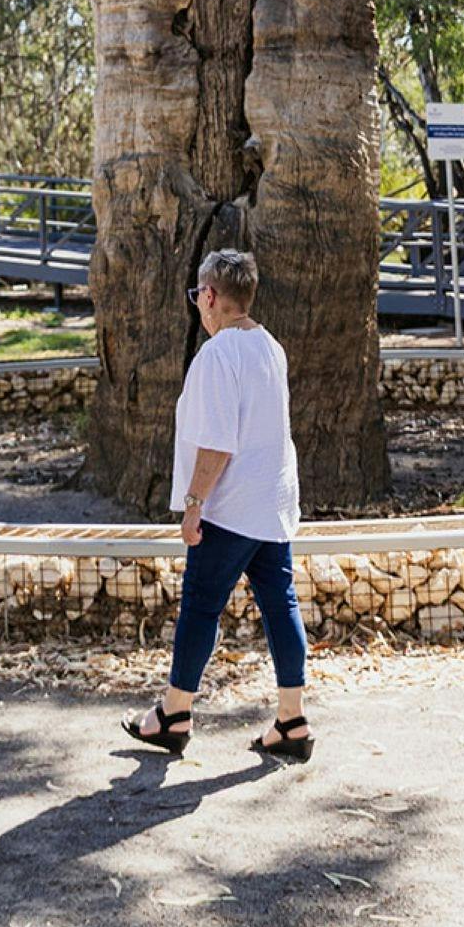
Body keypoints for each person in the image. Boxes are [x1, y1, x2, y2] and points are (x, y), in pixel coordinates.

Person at [123, 246, 312, 763]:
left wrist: (192, 504)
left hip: (228, 508)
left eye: (197, 296)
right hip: (271, 504)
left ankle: (174, 712)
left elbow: (217, 443)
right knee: (281, 606)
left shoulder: (217, 355)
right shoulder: (271, 347)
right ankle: (292, 718)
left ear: (209, 296)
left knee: (200, 609)